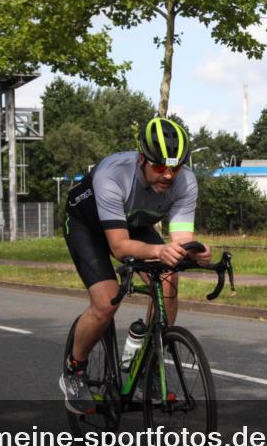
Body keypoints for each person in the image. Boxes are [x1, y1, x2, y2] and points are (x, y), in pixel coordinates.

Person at [60, 117, 211, 414]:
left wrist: (196, 251)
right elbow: (118, 247)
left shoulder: (186, 182)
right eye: (159, 167)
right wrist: (159, 249)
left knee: (168, 279)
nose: (168, 175)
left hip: (135, 222)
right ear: (142, 159)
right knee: (106, 302)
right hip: (87, 226)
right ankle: (74, 370)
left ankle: (149, 362)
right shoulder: (113, 176)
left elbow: (180, 239)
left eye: (175, 168)